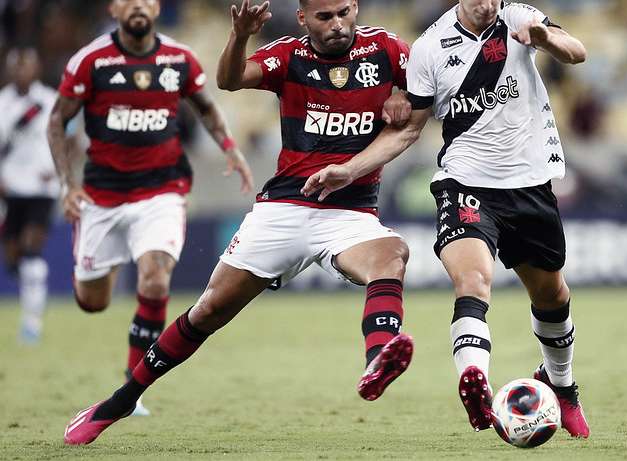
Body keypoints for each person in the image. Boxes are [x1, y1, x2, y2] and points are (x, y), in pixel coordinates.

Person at [63, 0, 414, 445]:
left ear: (356, 8)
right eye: (325, 17)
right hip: (285, 207)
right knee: (208, 310)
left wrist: (406, 97)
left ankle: (379, 359)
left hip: (351, 212)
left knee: (392, 255)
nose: (338, 25)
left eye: (345, 13)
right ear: (304, 18)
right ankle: (120, 401)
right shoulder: (289, 55)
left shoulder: (387, 50)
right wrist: (241, 34)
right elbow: (229, 81)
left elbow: (428, 93)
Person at [302, 0, 590, 437]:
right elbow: (409, 128)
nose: (487, 3)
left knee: (551, 295)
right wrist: (350, 169)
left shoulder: (518, 17)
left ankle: (563, 388)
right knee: (472, 281)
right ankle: (475, 381)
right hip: (465, 182)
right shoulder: (431, 47)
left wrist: (545, 36)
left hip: (529, 184)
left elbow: (576, 52)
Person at [48, 0, 254, 417]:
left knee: (157, 280)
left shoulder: (178, 59)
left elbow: (206, 106)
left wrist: (230, 148)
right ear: (114, 8)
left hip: (162, 190)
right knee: (92, 302)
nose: (138, 5)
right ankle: (96, 260)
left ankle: (132, 385)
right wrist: (67, 185)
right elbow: (57, 121)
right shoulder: (90, 61)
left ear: (157, 9)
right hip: (101, 196)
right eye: (129, 0)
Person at [0, 47, 60, 343]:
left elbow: (69, 137)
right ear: (10, 69)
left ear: (36, 69)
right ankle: (31, 292)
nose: (21, 71)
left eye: (27, 66)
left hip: (41, 187)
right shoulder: (2, 103)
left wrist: (59, 169)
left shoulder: (49, 101)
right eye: (16, 66)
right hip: (11, 188)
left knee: (32, 251)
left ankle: (31, 323)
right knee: (14, 258)